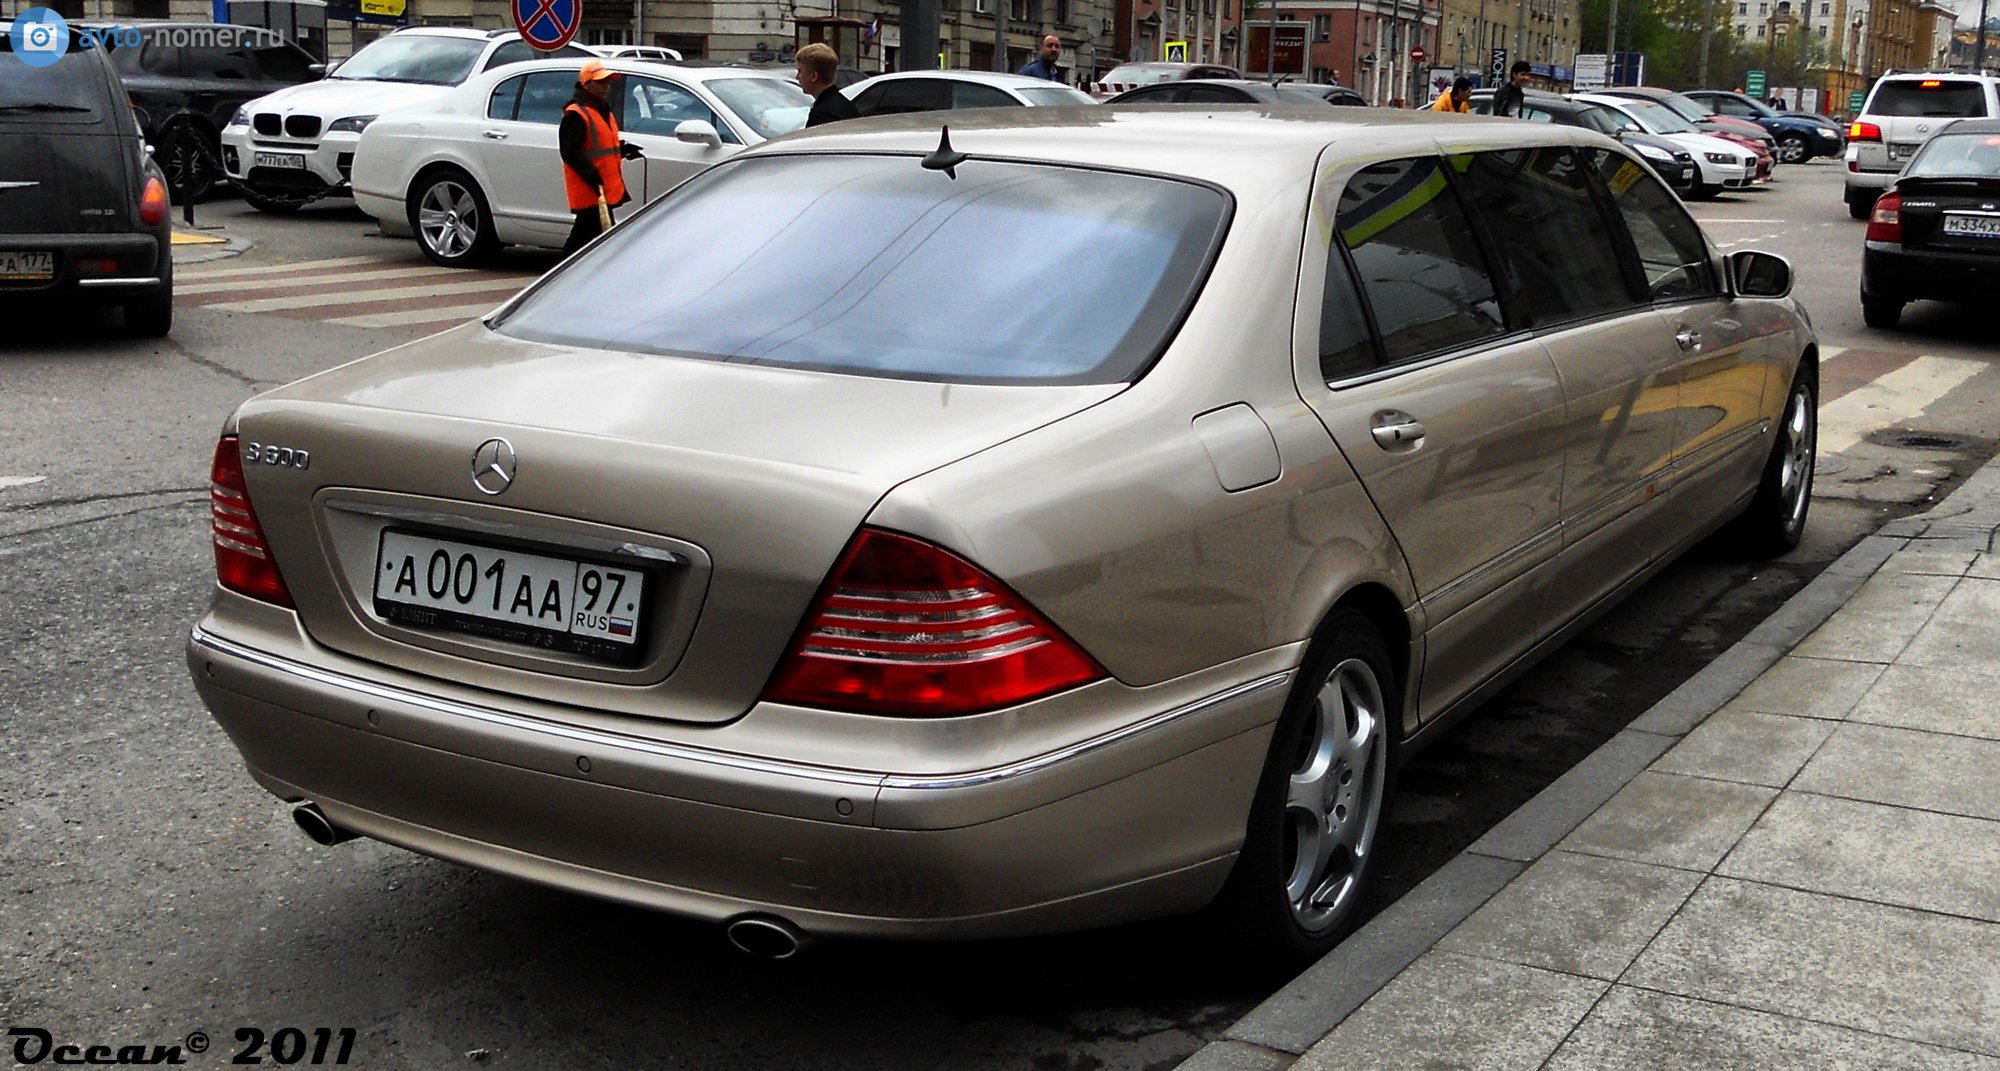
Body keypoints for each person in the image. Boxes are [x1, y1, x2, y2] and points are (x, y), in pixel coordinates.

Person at [559, 60, 642, 255]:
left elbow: (600, 146)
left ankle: (564, 277)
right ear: (587, 84)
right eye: (601, 82)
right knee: (593, 243)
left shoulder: (601, 110)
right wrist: (592, 174)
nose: (607, 86)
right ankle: (559, 279)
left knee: (590, 242)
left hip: (600, 189)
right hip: (591, 189)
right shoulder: (577, 114)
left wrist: (623, 149)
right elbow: (570, 152)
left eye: (608, 82)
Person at [798, 42, 859, 127]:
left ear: (814, 76)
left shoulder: (822, 115)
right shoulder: (845, 104)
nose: (797, 77)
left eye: (800, 71)